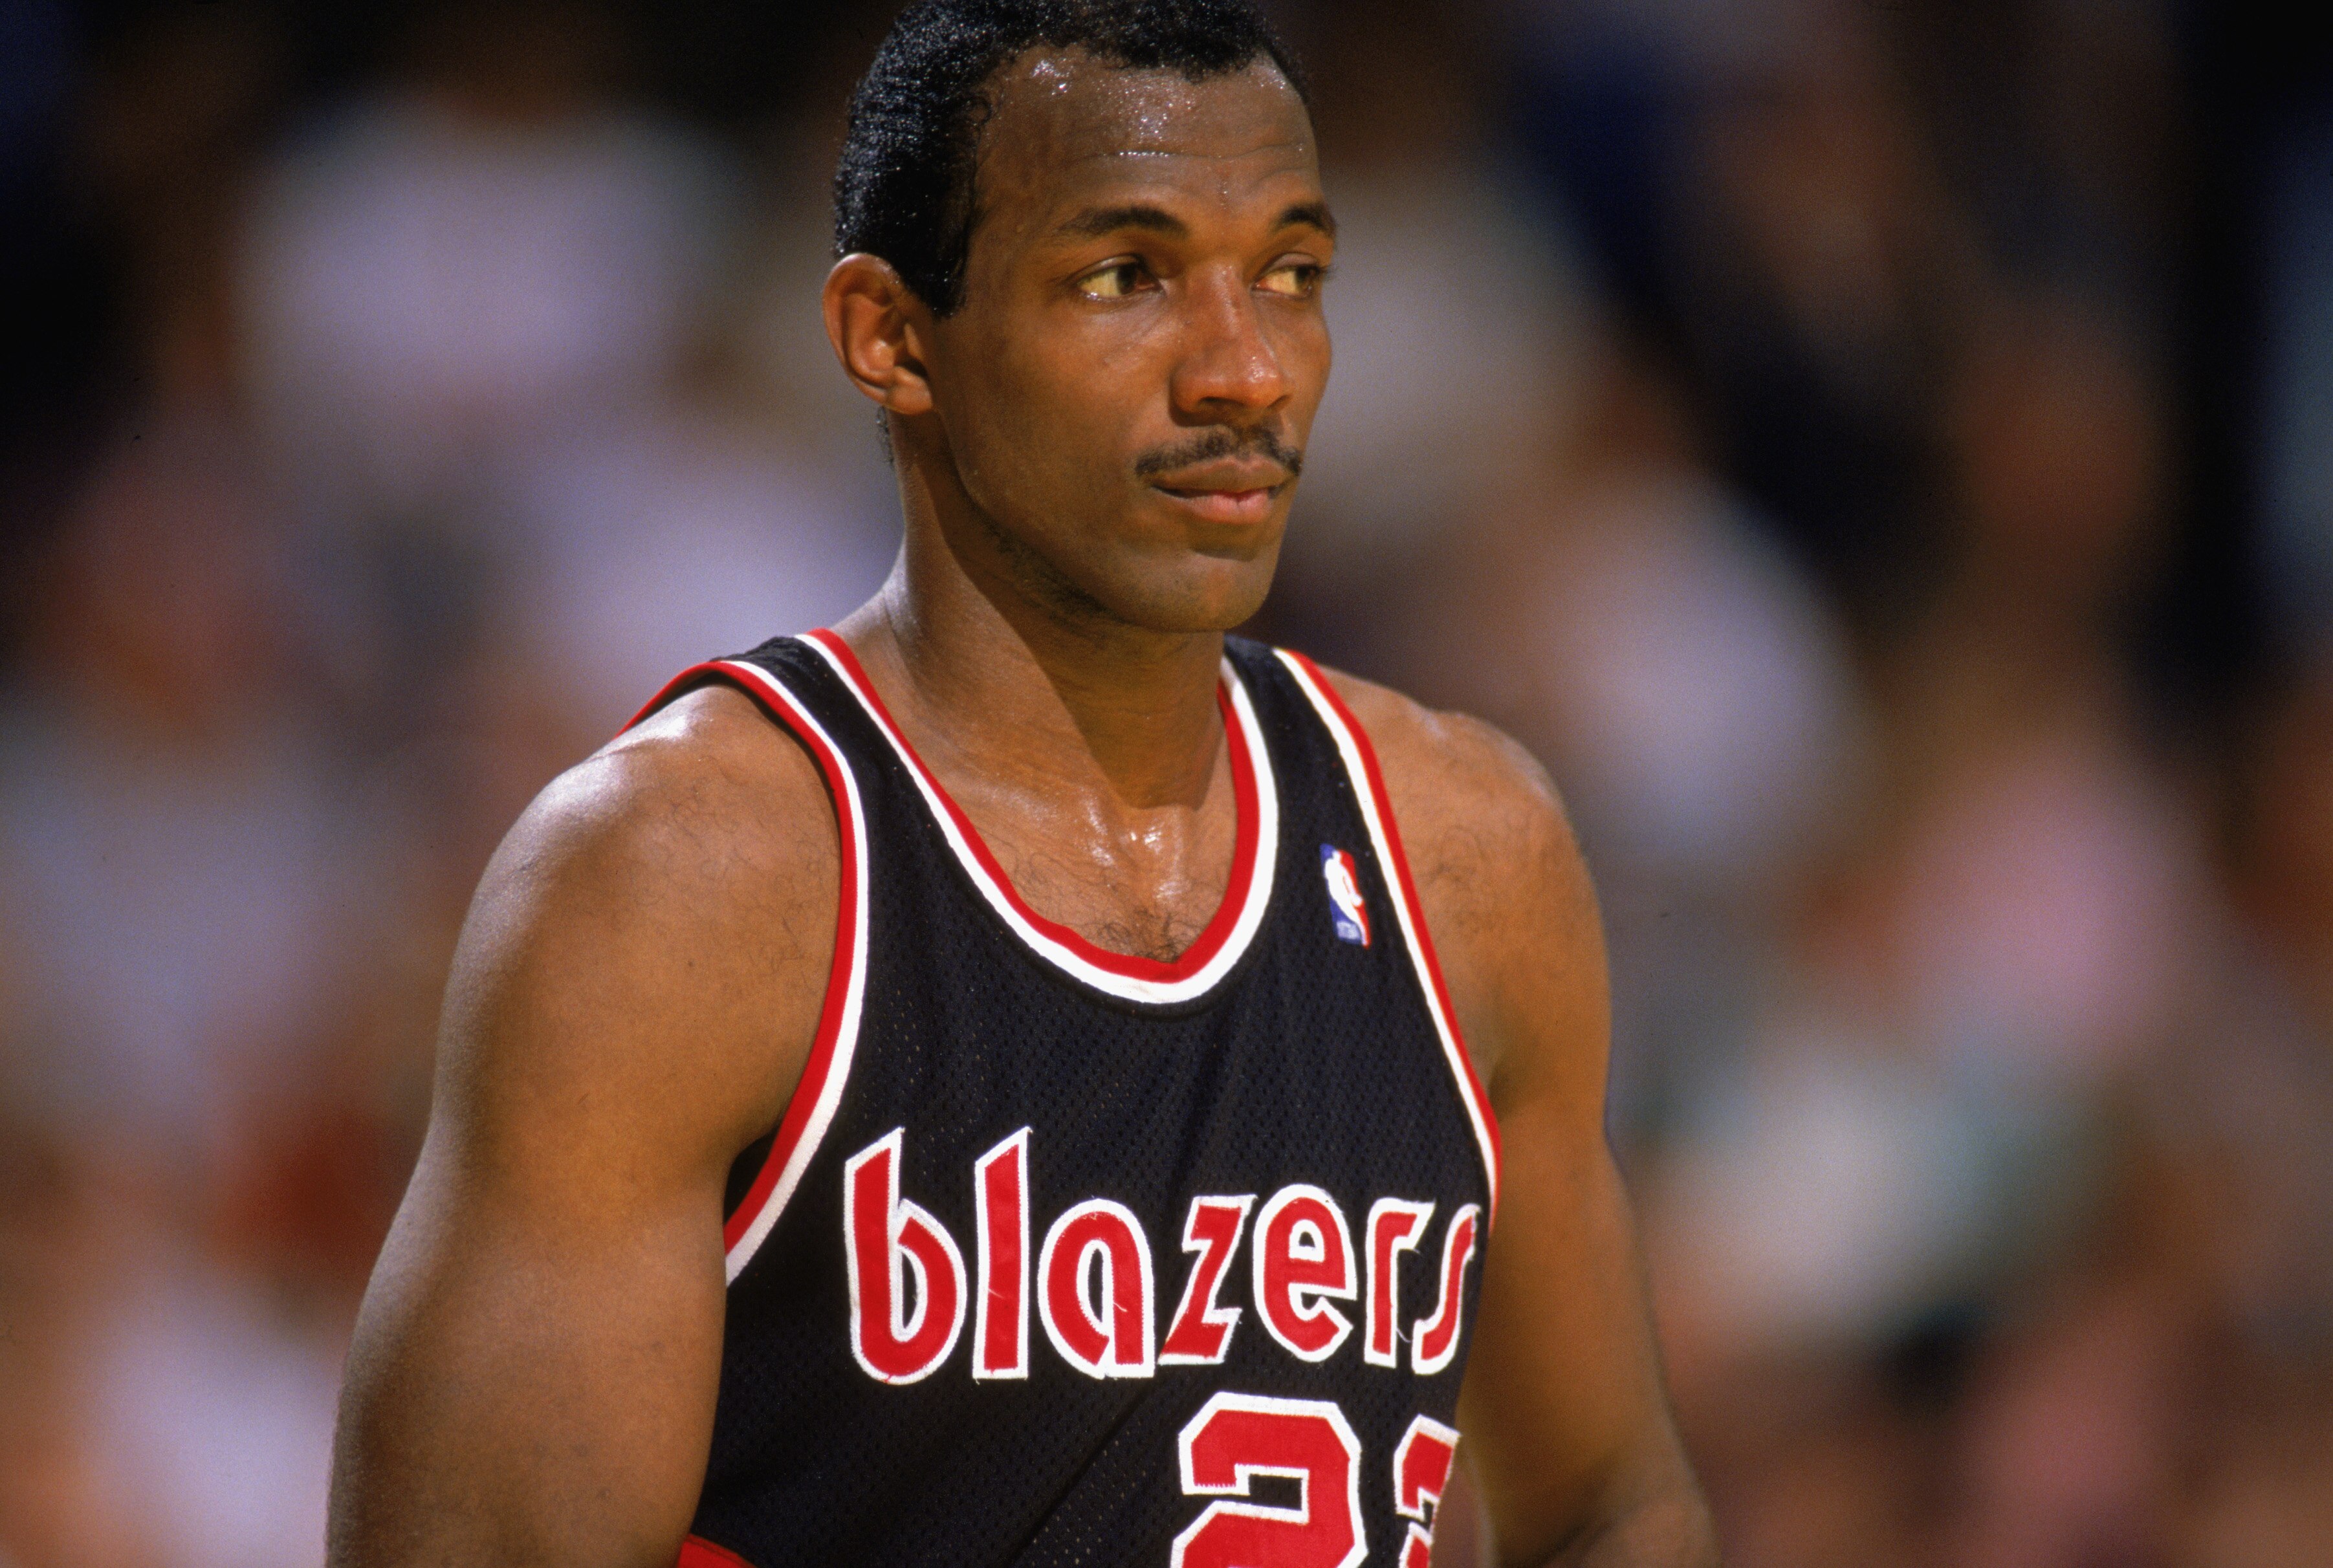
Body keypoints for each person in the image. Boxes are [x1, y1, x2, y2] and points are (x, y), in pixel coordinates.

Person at [325, 3, 1717, 1563]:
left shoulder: (1471, 854)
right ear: (889, 337)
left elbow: (1608, 1501)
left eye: (1292, 274)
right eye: (1126, 277)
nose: (1245, 370)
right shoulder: (680, 884)